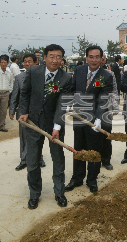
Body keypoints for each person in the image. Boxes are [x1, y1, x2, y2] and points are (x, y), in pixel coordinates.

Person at [19, 44, 72, 210]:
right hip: (33, 123)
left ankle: (59, 192)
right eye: (51, 56)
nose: (55, 60)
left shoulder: (66, 78)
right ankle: (34, 194)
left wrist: (57, 126)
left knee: (58, 159)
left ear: (62, 59)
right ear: (44, 57)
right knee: (32, 160)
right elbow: (25, 93)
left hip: (54, 124)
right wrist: (24, 112)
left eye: (58, 57)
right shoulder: (33, 71)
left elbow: (63, 105)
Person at [65, 45, 114, 193]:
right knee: (79, 149)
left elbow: (104, 99)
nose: (94, 60)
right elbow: (73, 89)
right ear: (86, 58)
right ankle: (77, 178)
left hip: (95, 120)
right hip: (79, 118)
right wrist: (68, 102)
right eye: (91, 57)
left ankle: (92, 179)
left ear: (101, 58)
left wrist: (99, 118)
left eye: (97, 57)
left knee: (94, 150)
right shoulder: (79, 70)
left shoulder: (106, 76)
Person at [9, 53, 46, 170]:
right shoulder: (20, 77)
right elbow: (15, 95)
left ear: (36, 62)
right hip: (22, 112)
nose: (27, 64)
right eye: (25, 62)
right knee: (24, 137)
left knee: (38, 136)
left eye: (30, 61)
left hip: (37, 113)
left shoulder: (42, 77)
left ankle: (39, 158)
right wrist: (11, 110)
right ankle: (24, 159)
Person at [0, 54, 13, 132]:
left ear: (7, 63)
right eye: (1, 62)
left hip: (5, 94)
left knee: (3, 110)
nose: (3, 64)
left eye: (4, 62)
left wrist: (9, 91)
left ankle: (1, 126)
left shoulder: (9, 73)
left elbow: (11, 83)